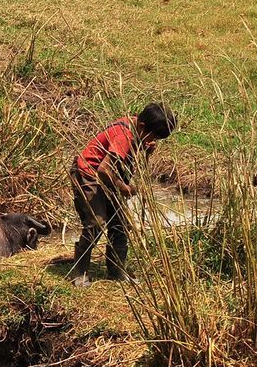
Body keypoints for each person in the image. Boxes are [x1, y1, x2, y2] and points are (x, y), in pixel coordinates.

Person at [69, 102, 177, 285]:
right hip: (88, 174)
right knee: (96, 222)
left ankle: (117, 271)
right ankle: (79, 272)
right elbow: (103, 170)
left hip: (107, 177)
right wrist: (123, 188)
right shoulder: (124, 136)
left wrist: (144, 147)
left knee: (120, 224)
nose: (154, 141)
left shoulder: (136, 127)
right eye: (154, 137)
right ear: (142, 127)